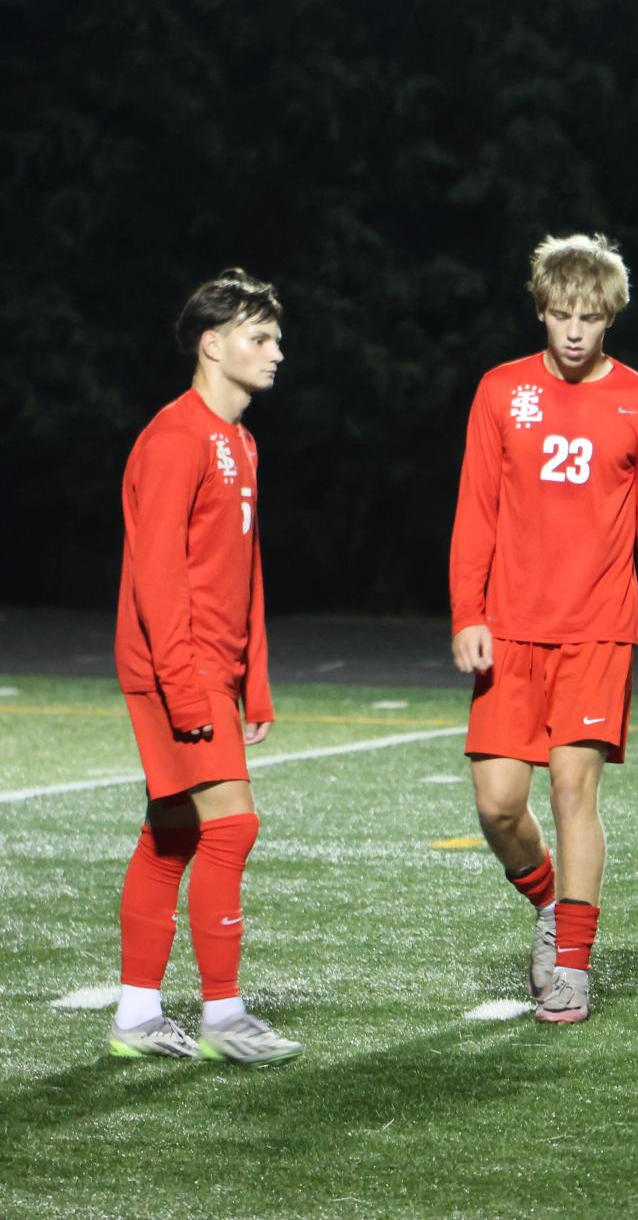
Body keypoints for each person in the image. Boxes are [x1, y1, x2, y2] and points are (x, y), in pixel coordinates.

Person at [449, 233, 638, 1024]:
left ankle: (574, 966)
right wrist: (467, 613)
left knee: (572, 792)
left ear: (611, 315)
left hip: (598, 630)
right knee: (496, 805)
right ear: (542, 312)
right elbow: (474, 512)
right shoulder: (499, 391)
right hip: (509, 632)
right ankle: (552, 905)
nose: (575, 331)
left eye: (589, 316)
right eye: (560, 315)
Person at [109, 269, 299, 1065]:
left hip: (213, 667)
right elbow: (156, 582)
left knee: (173, 834)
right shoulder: (175, 438)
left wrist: (250, 677)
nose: (277, 353)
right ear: (213, 345)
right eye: (260, 338)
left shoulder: (240, 440)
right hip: (170, 667)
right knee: (234, 824)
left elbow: (241, 572)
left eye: (277, 338)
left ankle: (136, 1017)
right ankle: (225, 1017)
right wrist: (190, 689)